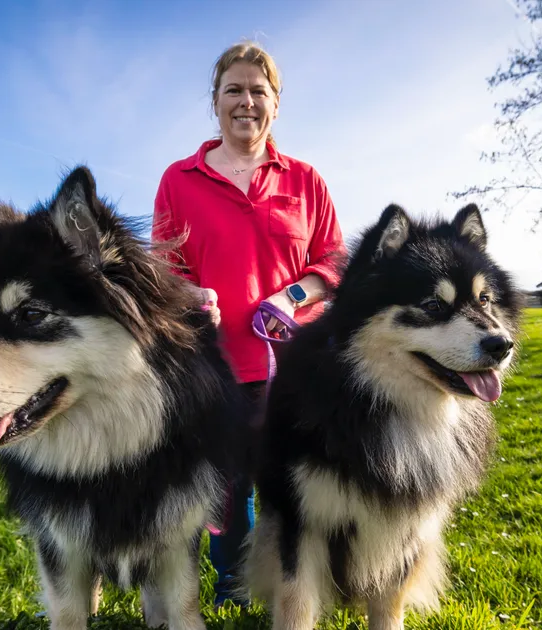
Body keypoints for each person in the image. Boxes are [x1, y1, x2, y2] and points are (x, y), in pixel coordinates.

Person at [151, 41, 345, 608]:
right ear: (214, 102)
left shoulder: (305, 179)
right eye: (233, 90)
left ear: (275, 105)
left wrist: (293, 293)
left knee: (295, 487)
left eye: (258, 91)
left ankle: (297, 587)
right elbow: (163, 270)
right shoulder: (179, 179)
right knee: (224, 495)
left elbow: (333, 261)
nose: (246, 102)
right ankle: (234, 587)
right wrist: (191, 294)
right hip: (211, 370)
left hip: (295, 368)